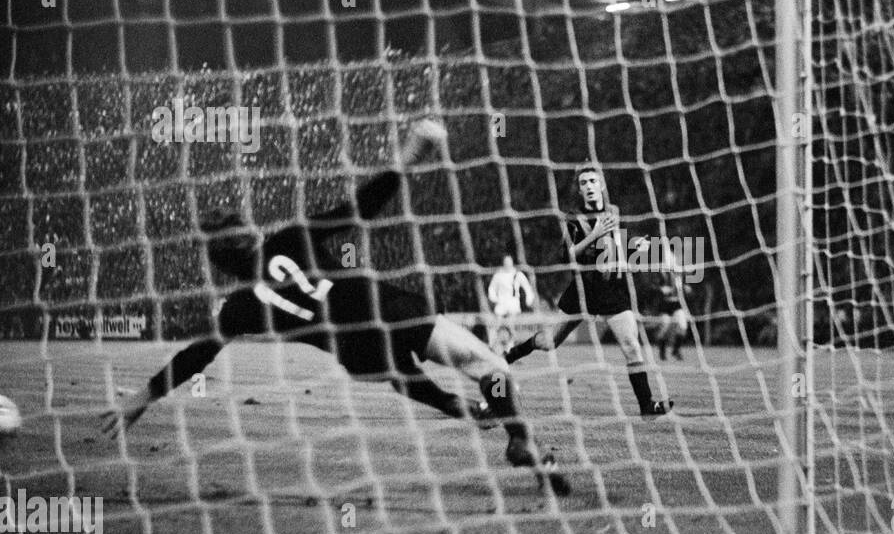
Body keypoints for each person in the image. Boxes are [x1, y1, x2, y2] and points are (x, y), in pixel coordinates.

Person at [101, 117, 568, 495]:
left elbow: (197, 354)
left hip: (355, 353)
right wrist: (410, 154)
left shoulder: (240, 308)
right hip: (384, 310)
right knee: (489, 369)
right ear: (248, 233)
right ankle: (519, 440)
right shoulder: (289, 238)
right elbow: (359, 208)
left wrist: (143, 397)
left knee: (407, 379)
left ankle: (463, 409)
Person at [504, 164, 672, 419]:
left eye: (593, 181)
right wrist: (594, 234)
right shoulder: (574, 219)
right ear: (580, 190)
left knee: (631, 345)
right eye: (584, 183)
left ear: (601, 185)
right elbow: (567, 255)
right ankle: (512, 354)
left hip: (612, 290)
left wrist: (633, 248)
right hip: (583, 289)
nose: (589, 187)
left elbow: (615, 244)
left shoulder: (614, 211)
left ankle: (647, 406)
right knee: (550, 342)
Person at [486, 254, 535, 354]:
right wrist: (494, 298)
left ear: (512, 263)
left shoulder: (518, 274)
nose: (507, 264)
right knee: (496, 325)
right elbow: (491, 288)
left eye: (509, 262)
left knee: (510, 326)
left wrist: (529, 299)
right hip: (501, 303)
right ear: (503, 263)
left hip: (513, 303)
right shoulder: (498, 275)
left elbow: (527, 287)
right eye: (505, 262)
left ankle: (509, 349)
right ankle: (491, 346)